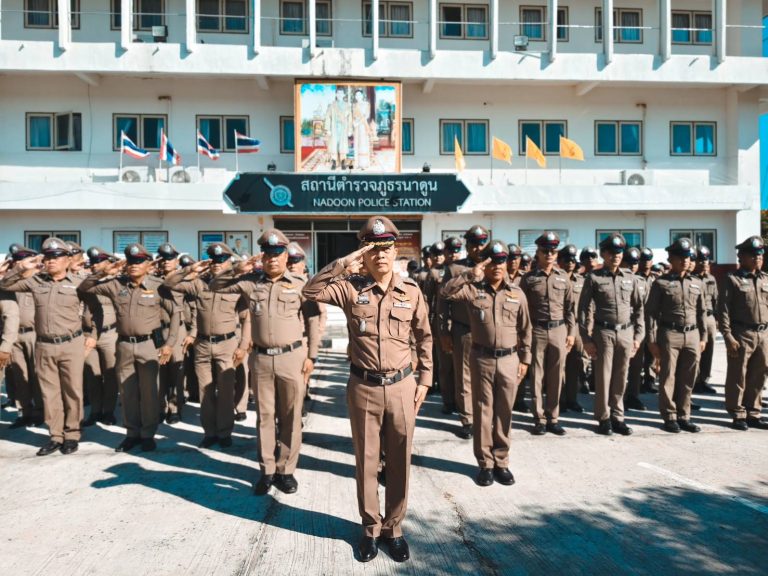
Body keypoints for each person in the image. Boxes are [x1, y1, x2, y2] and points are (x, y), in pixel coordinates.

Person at [303, 216, 432, 564]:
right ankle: (370, 529)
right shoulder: (350, 288)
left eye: (386, 248)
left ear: (395, 250)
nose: (381, 255)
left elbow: (424, 337)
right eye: (373, 249)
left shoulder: (412, 292)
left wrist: (426, 379)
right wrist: (346, 262)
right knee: (367, 462)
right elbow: (310, 290)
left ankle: (394, 529)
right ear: (365, 253)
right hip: (364, 387)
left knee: (401, 460)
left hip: (403, 386)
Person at [210, 229, 320, 496]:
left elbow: (313, 320)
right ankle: (267, 470)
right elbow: (215, 285)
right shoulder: (250, 283)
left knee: (291, 416)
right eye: (268, 254)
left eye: (278, 254)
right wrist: (238, 266)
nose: (273, 259)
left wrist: (312, 356)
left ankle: (286, 471)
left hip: (292, 358)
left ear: (285, 256)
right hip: (259, 359)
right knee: (265, 417)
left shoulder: (299, 284)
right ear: (263, 257)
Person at [442, 240, 531, 486]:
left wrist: (525, 359)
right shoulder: (473, 290)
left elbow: (526, 330)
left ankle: (502, 461)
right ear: (487, 263)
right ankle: (485, 464)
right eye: (493, 261)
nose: (499, 265)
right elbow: (446, 292)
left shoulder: (516, 293)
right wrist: (471, 274)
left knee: (504, 412)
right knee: (483, 412)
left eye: (502, 260)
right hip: (481, 358)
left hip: (510, 359)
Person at [78, 244, 178, 452]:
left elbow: (175, 313)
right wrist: (105, 272)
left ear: (148, 264)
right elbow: (84, 289)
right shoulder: (115, 285)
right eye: (130, 261)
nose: (134, 265)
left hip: (149, 345)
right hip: (123, 344)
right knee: (128, 393)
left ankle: (148, 434)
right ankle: (132, 433)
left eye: (139, 261)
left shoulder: (158, 286)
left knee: (150, 392)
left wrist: (169, 343)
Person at [0, 238, 93, 456]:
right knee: (49, 393)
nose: (51, 261)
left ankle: (72, 434)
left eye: (56, 257)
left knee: (72, 391)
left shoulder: (79, 282)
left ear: (68, 259)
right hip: (44, 345)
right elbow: (4, 285)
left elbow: (95, 308)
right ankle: (55, 435)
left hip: (71, 343)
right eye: (47, 257)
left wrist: (92, 335)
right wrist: (21, 268)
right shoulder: (35, 281)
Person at [164, 243, 251, 448]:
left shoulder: (238, 284)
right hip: (202, 344)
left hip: (227, 344)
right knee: (205, 391)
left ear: (229, 262)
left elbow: (247, 317)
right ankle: (210, 432)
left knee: (226, 390)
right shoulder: (198, 284)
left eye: (221, 260)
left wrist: (243, 345)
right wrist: (189, 270)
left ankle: (225, 432)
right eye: (214, 260)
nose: (217, 264)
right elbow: (168, 284)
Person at [578, 233, 645, 436]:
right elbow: (582, 310)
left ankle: (618, 417)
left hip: (626, 332)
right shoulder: (594, 278)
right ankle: (603, 418)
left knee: (620, 376)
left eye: (619, 252)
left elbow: (639, 309)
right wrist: (586, 339)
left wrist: (638, 337)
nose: (616, 256)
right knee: (603, 377)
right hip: (604, 332)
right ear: (604, 254)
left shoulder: (630, 279)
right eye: (611, 252)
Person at [645, 238, 706, 433]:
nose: (686, 261)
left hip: (693, 334)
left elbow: (702, 312)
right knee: (668, 376)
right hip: (669, 333)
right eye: (681, 257)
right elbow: (651, 314)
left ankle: (684, 415)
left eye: (688, 257)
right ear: (672, 259)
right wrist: (652, 340)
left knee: (688, 377)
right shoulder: (661, 283)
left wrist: (703, 337)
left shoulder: (697, 283)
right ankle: (669, 416)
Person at [520, 231, 575, 436]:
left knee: (556, 376)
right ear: (538, 252)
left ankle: (553, 418)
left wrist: (571, 333)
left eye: (553, 251)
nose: (550, 254)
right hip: (537, 330)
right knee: (537, 376)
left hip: (559, 330)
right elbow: (522, 310)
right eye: (546, 251)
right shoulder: (528, 279)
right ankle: (539, 419)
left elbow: (570, 308)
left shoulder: (563, 278)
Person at [718, 235, 768, 430]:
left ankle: (753, 412)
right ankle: (738, 413)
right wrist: (728, 335)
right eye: (753, 255)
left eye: (760, 254)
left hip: (763, 333)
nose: (758, 258)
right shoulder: (732, 279)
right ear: (742, 257)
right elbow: (723, 311)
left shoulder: (765, 279)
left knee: (759, 375)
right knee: (738, 375)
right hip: (742, 333)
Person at [4, 245, 43, 428]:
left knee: (37, 375)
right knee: (19, 376)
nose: (19, 264)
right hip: (14, 337)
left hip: (34, 334)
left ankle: (39, 412)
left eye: (22, 261)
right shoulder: (8, 285)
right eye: (16, 261)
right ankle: (24, 412)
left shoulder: (38, 282)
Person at [81, 247, 120, 426]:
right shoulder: (87, 282)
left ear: (107, 263)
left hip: (109, 334)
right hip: (88, 335)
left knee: (110, 374)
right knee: (92, 374)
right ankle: (95, 411)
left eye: (99, 261)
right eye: (94, 262)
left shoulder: (115, 282)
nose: (95, 265)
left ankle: (109, 411)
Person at [156, 243, 189, 424]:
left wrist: (192, 332)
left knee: (177, 368)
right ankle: (161, 406)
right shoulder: (152, 280)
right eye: (164, 259)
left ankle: (175, 407)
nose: (167, 262)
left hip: (178, 327)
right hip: (158, 329)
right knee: (160, 371)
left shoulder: (183, 281)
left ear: (176, 261)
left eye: (170, 259)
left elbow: (194, 306)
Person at [558, 244, 586, 413]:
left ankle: (572, 399)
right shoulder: (556, 278)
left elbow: (589, 306)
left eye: (572, 260)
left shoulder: (581, 281)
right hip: (560, 326)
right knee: (559, 366)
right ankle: (559, 399)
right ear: (560, 262)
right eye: (566, 260)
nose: (570, 263)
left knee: (575, 364)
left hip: (576, 327)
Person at [693, 246, 718, 394]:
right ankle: (694, 381)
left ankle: (704, 380)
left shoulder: (711, 279)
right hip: (696, 319)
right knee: (696, 351)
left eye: (706, 261)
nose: (704, 264)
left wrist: (717, 319)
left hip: (709, 318)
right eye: (701, 261)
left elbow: (716, 299)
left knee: (709, 350)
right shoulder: (691, 278)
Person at [325, 87, 351, 170]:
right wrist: (328, 129)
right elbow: (328, 117)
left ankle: (343, 161)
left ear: (344, 95)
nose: (340, 95)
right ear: (336, 94)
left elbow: (349, 118)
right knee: (333, 145)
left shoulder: (347, 106)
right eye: (338, 93)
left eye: (341, 93)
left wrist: (350, 129)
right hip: (334, 128)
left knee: (343, 145)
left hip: (343, 128)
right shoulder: (332, 105)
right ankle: (334, 162)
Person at [352, 89, 372, 170]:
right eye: (356, 95)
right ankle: (357, 163)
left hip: (363, 126)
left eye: (359, 95)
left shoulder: (366, 104)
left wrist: (358, 122)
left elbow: (366, 116)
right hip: (357, 128)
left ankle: (364, 164)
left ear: (362, 95)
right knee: (357, 143)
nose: (358, 96)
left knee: (363, 144)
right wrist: (354, 122)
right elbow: (353, 116)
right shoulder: (354, 105)